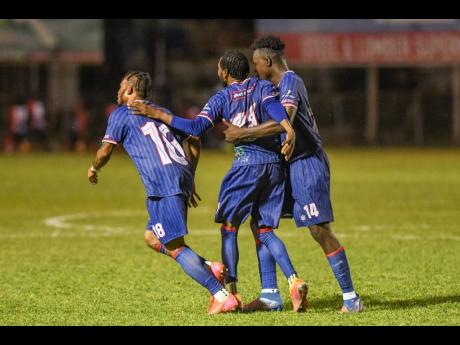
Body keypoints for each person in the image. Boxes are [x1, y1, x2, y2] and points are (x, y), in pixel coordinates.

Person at [128, 51, 309, 313]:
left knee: (229, 228)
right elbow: (275, 110)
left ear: (224, 72)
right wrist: (288, 128)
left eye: (218, 68)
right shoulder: (263, 86)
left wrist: (158, 114)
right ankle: (288, 283)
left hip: (246, 166)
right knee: (265, 230)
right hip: (274, 165)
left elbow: (195, 129)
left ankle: (231, 294)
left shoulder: (221, 98)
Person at [222, 36, 364, 313]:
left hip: (307, 163)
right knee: (260, 223)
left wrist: (243, 133)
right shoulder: (272, 86)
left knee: (319, 229)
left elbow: (283, 119)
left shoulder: (290, 81)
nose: (255, 71)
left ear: (267, 61)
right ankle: (270, 296)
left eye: (256, 65)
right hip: (284, 166)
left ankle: (351, 298)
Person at [87, 71, 238, 315]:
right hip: (177, 178)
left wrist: (94, 167)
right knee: (152, 237)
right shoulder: (161, 112)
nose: (117, 92)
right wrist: (188, 176)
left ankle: (221, 295)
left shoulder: (121, 114)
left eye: (120, 87)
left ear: (129, 91)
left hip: (161, 184)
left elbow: (105, 151)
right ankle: (211, 266)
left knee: (175, 245)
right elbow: (194, 138)